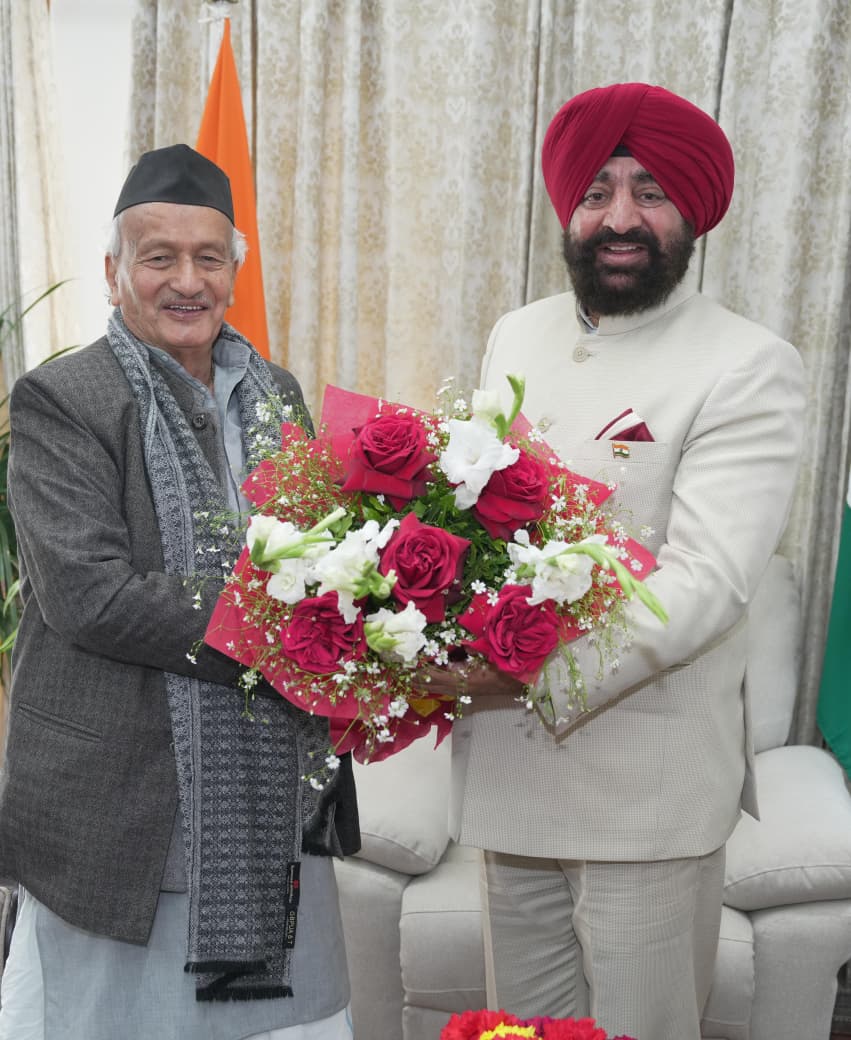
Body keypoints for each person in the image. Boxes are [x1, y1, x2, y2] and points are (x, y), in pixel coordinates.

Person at [425, 83, 805, 1040]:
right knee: (518, 1032)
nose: (620, 218)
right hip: (510, 775)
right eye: (596, 192)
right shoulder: (517, 332)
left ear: (692, 212)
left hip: (648, 790)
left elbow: (704, 581)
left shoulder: (747, 362)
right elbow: (479, 520)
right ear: (568, 209)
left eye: (650, 192)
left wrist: (519, 672)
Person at [0, 144, 359, 1040]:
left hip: (270, 797)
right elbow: (92, 596)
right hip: (121, 802)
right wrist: (289, 632)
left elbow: (317, 553)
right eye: (158, 257)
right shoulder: (61, 398)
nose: (186, 281)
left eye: (208, 258)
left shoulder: (276, 394)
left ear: (235, 272)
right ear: (114, 271)